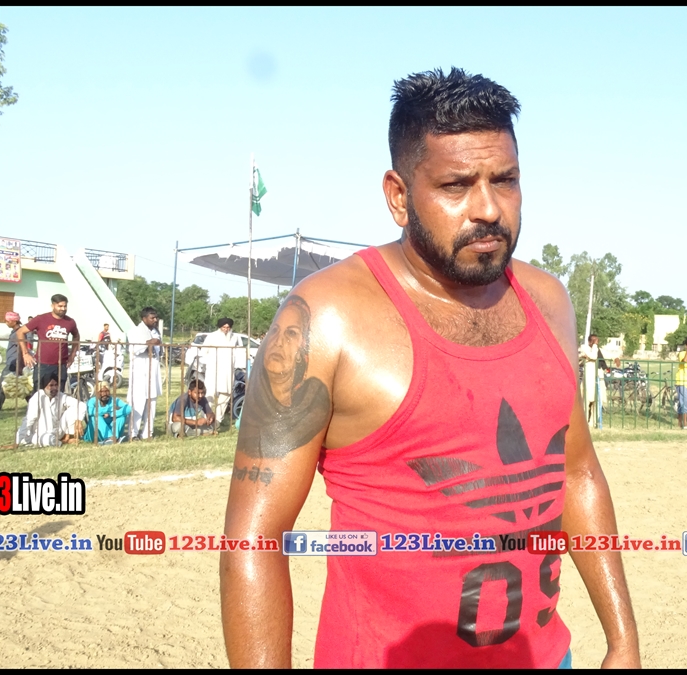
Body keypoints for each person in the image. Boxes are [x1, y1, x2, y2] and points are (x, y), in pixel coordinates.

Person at [222, 68, 639, 669]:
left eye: (506, 180)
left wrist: (623, 641)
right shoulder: (328, 318)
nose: (488, 208)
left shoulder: (549, 302)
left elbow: (576, 472)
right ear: (398, 196)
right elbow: (254, 539)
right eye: (455, 185)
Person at [18, 294, 80, 395]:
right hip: (43, 364)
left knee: (58, 394)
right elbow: (20, 332)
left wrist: (72, 355)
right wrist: (25, 353)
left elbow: (76, 336)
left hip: (61, 365)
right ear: (52, 306)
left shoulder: (70, 322)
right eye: (60, 306)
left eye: (65, 306)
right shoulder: (41, 319)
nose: (63, 309)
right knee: (39, 394)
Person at [16, 373, 85, 447]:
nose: (54, 388)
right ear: (44, 386)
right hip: (41, 434)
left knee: (74, 409)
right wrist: (16, 442)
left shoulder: (60, 395)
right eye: (51, 385)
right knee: (48, 439)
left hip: (58, 431)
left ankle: (67, 437)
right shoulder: (37, 398)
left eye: (56, 385)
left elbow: (81, 404)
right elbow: (29, 420)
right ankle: (62, 442)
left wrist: (78, 419)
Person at [127, 307, 163, 440]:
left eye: (156, 317)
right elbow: (134, 349)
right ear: (144, 318)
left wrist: (156, 341)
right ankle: (133, 433)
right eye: (152, 318)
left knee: (151, 403)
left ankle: (148, 432)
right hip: (140, 371)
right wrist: (149, 342)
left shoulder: (156, 332)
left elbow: (159, 349)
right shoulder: (134, 331)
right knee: (137, 403)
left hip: (153, 371)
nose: (155, 320)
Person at [202, 317, 238, 431]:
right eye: (224, 327)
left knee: (225, 395)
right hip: (214, 369)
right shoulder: (212, 336)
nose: (226, 329)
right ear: (220, 327)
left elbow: (236, 353)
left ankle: (218, 420)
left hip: (227, 370)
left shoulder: (234, 337)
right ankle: (206, 418)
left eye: (228, 327)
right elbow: (203, 352)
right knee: (210, 394)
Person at [578, 333, 616, 426]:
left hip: (598, 376)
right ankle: (584, 421)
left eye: (597, 341)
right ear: (590, 341)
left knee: (598, 400)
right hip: (589, 377)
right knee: (586, 399)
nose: (596, 342)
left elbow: (608, 354)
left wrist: (616, 358)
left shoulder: (597, 349)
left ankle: (593, 421)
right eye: (595, 340)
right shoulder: (584, 348)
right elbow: (593, 356)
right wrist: (594, 346)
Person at [0, 312, 26, 411]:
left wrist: (19, 364)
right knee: (22, 384)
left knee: (3, 384)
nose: (6, 323)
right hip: (12, 361)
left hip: (14, 362)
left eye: (7, 321)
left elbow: (21, 348)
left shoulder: (18, 333)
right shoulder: (14, 332)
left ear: (14, 321)